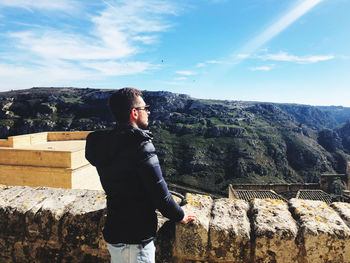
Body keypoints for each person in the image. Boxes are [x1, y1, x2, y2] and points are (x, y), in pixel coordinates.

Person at [85, 87, 194, 263]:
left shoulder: (104, 144)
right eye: (145, 108)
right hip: (135, 240)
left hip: (116, 231)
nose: (149, 112)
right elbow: (162, 197)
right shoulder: (140, 147)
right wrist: (181, 215)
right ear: (134, 113)